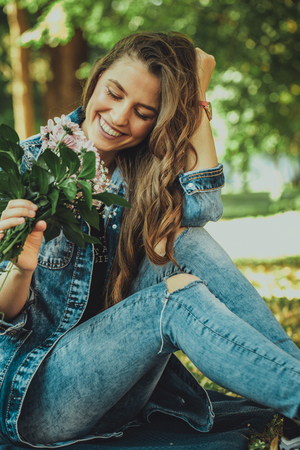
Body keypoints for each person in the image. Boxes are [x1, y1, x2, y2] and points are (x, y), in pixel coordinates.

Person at [0, 32, 299, 450]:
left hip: (121, 392)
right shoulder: (27, 166)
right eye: (114, 93)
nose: (120, 117)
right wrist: (22, 265)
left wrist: (195, 96)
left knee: (182, 239)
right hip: (34, 402)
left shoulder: (139, 171)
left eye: (143, 112)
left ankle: (294, 400)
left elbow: (203, 208)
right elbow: (3, 312)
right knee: (175, 298)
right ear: (98, 76)